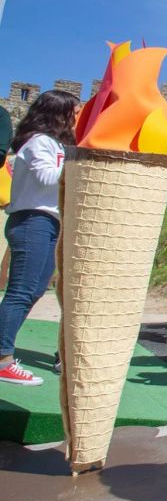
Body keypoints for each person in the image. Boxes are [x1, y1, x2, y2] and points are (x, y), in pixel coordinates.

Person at [0, 90, 79, 386]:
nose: (76, 117)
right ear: (58, 112)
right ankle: (2, 357)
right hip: (32, 220)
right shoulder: (38, 143)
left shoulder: (57, 144)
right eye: (74, 111)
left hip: (49, 223)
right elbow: (47, 179)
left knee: (33, 291)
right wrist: (77, 165)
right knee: (21, 290)